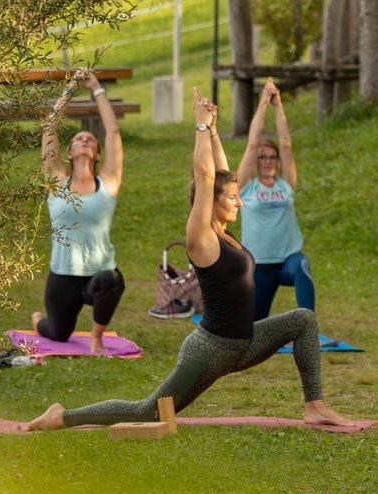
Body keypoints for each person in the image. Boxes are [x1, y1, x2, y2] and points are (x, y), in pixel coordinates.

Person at [21, 90, 353, 431]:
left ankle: (315, 406)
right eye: (233, 199)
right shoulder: (202, 238)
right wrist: (198, 126)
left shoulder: (225, 231)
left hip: (245, 342)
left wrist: (212, 130)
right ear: (210, 202)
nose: (239, 202)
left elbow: (222, 175)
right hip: (209, 352)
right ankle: (60, 417)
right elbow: (207, 178)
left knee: (303, 319)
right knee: (146, 411)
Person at [29, 68, 127, 354]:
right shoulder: (57, 180)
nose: (85, 141)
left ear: (96, 153)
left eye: (90, 140)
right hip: (63, 275)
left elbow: (112, 130)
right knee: (58, 334)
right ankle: (38, 321)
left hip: (98, 272)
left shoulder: (108, 182)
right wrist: (70, 88)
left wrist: (95, 87)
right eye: (78, 139)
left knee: (113, 280)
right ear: (69, 152)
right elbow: (49, 128)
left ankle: (97, 338)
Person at [236, 79, 317, 323]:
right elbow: (252, 144)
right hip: (260, 265)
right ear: (256, 162)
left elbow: (286, 145)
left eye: (272, 157)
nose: (268, 161)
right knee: (256, 324)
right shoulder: (246, 188)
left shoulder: (285, 185)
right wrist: (263, 104)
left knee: (302, 266)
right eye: (262, 158)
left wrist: (278, 106)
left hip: (287, 260)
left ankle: (308, 326)